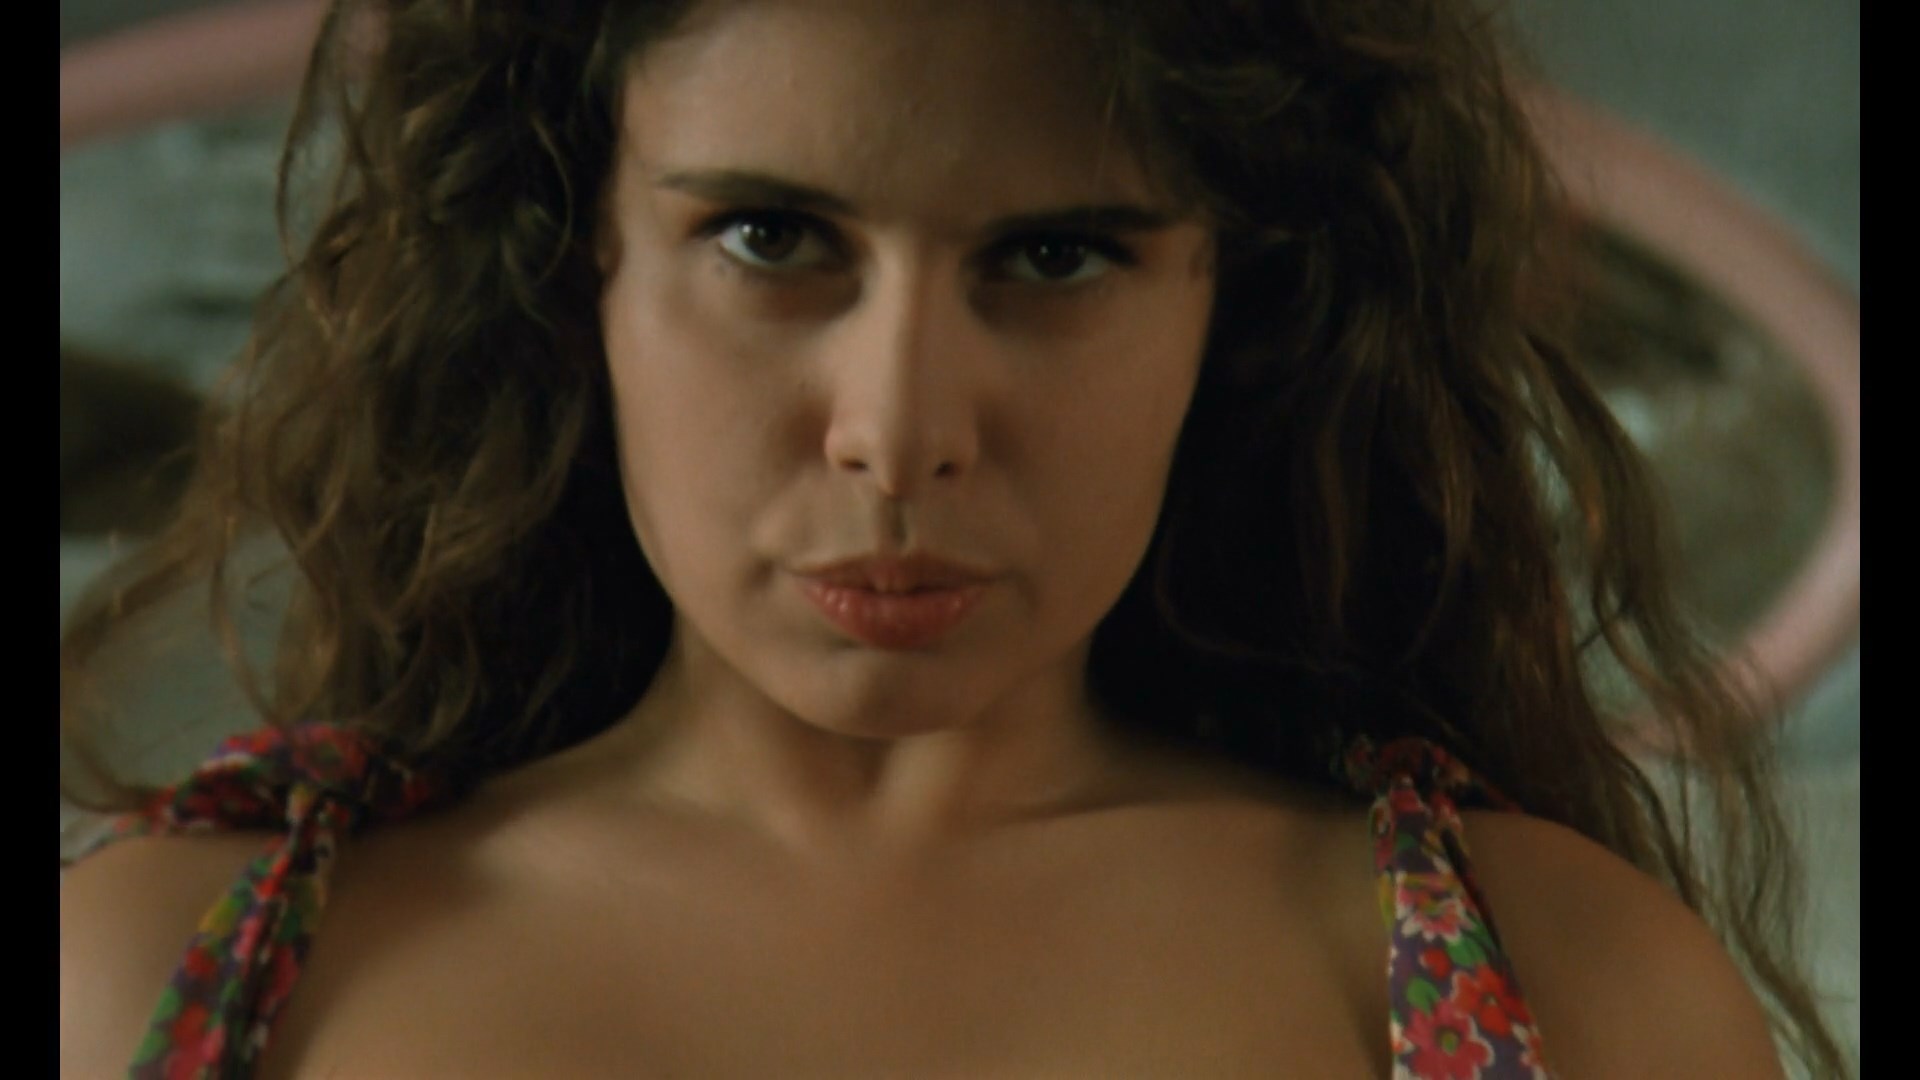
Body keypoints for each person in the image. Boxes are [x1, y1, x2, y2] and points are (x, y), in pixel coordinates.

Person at [59, 1, 1849, 1076]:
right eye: (771, 239)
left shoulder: (1569, 992)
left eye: (1056, 256)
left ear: (1233, 304)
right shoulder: (167, 976)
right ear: (573, 255)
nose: (900, 428)